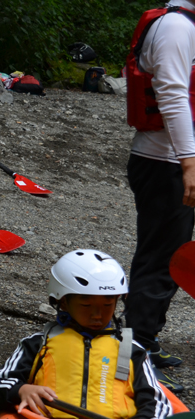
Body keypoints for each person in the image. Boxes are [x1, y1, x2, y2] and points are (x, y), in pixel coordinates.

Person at [0, 250, 172, 419]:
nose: (98, 315)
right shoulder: (38, 344)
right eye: (86, 305)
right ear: (63, 302)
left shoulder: (131, 350)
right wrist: (21, 390)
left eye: (108, 305)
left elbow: (155, 399)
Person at [125, 0, 195, 392]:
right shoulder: (176, 28)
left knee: (169, 250)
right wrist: (189, 162)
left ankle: (145, 338)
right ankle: (137, 352)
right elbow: (170, 93)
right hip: (164, 162)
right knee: (162, 257)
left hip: (174, 160)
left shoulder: (183, 25)